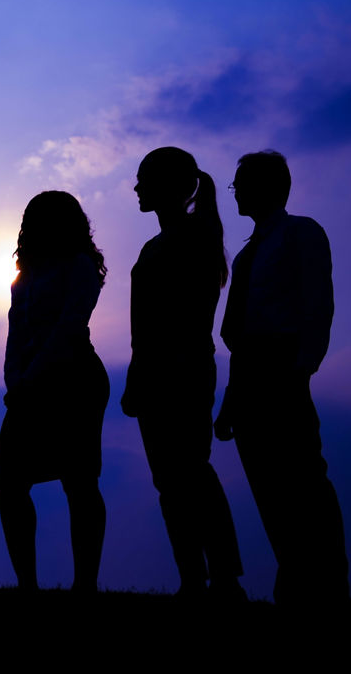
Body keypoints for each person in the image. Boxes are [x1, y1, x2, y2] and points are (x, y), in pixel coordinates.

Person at [214, 150, 351, 612]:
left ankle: (331, 591)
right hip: (251, 372)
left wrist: (300, 370)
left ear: (269, 186)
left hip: (282, 369)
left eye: (241, 183)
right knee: (268, 487)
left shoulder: (301, 234)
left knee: (305, 484)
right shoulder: (250, 252)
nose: (236, 193)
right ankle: (295, 585)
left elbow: (317, 306)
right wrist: (232, 398)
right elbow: (238, 336)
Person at [122, 147, 245, 601]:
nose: (136, 188)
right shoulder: (163, 243)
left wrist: (152, 370)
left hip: (183, 371)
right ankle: (194, 578)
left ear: (169, 186)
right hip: (160, 373)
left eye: (143, 179)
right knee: (171, 482)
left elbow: (179, 319)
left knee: (190, 473)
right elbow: (145, 327)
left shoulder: (191, 239)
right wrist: (139, 375)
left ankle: (224, 578)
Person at [0, 191, 108, 593]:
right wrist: (14, 380)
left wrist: (30, 379)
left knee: (79, 480)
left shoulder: (79, 266)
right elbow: (14, 333)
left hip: (74, 379)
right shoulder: (22, 276)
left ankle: (85, 584)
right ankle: (27, 583)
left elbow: (69, 326)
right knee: (9, 480)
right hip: (27, 387)